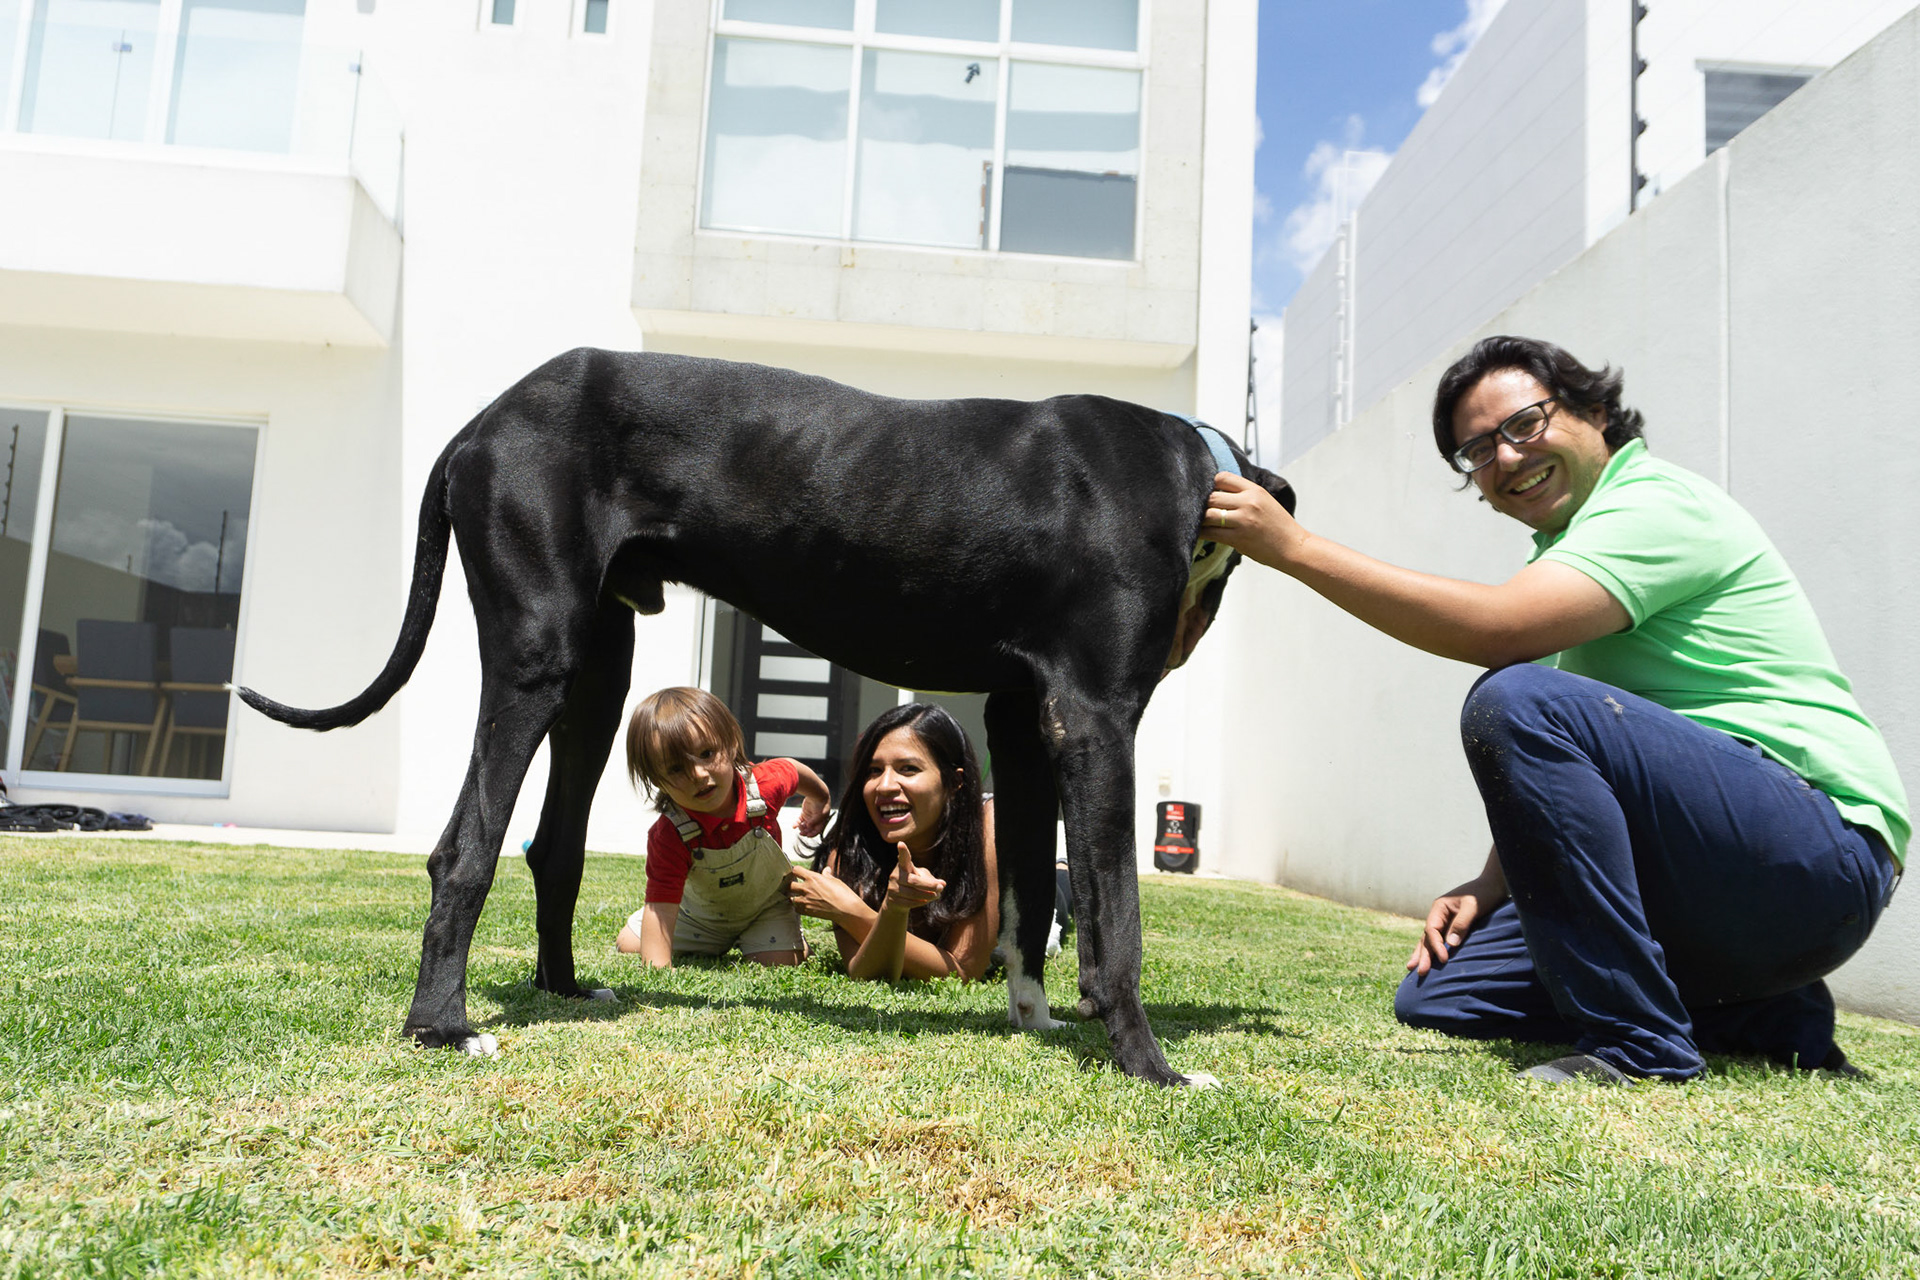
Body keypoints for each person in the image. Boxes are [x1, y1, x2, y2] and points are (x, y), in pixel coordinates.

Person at [1204, 335, 1906, 1084]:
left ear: (1595, 411)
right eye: (1476, 451)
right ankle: (1768, 1012)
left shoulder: (1657, 505)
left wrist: (1295, 546)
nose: (1504, 458)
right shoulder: (1569, 557)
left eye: (1524, 424)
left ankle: (1640, 1047)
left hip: (1818, 855)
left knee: (1514, 695)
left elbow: (1502, 638)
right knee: (1442, 991)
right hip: (1717, 884)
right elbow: (1589, 766)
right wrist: (1489, 882)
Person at [616, 687, 831, 968]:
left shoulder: (764, 787)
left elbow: (792, 769)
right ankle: (707, 939)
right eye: (676, 769)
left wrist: (820, 799)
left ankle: (780, 938)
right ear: (657, 780)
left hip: (766, 907)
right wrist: (659, 972)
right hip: (700, 917)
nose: (699, 775)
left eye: (706, 753)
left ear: (730, 743)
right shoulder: (669, 834)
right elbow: (661, 904)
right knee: (629, 944)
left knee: (779, 962)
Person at [784, 703, 1000, 980]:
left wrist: (850, 911)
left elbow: (965, 970)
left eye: (908, 769)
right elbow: (865, 971)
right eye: (873, 771)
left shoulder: (987, 827)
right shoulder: (849, 850)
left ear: (954, 783)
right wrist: (893, 909)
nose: (884, 786)